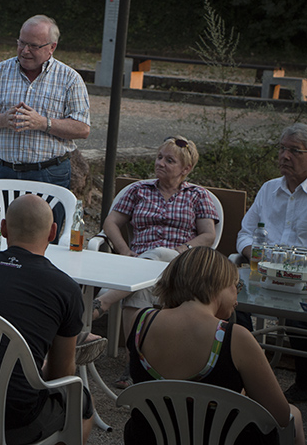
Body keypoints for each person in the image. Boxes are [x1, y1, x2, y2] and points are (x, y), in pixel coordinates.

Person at [0, 194, 94, 444]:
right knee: (82, 401)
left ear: (3, 228)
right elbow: (60, 374)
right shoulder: (65, 289)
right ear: (53, 232)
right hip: (15, 420)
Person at [124, 247, 304, 445]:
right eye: (237, 286)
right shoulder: (235, 338)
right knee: (293, 415)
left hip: (151, 436)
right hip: (224, 438)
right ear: (217, 284)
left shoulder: (140, 322)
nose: (237, 297)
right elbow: (279, 415)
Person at [92, 135, 219, 388]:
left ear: (186, 169)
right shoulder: (138, 190)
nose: (160, 163)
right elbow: (111, 223)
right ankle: (134, 364)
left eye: (169, 160)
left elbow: (208, 235)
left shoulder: (198, 195)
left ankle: (105, 300)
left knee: (160, 255)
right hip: (138, 263)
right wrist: (124, 250)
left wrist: (180, 250)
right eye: (159, 157)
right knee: (140, 286)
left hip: (179, 264)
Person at [0, 14, 90, 188]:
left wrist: (43, 123)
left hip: (49, 174)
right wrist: (2, 119)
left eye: (33, 46)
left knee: (49, 217)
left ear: (52, 47)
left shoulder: (70, 79)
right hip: (3, 171)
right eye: (21, 43)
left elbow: (83, 128)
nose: (25, 51)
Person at [237, 123, 307, 401]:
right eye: (282, 149)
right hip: (262, 274)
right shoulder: (268, 190)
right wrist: (254, 255)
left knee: (298, 317)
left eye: (294, 151)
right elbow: (244, 232)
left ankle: (303, 383)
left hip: (302, 281)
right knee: (230, 305)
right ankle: (248, 373)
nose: (285, 156)